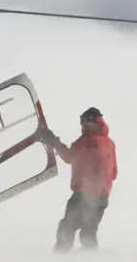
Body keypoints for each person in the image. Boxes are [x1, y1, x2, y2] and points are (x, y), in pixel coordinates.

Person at [41, 107, 117, 253]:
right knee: (89, 233)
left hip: (83, 196)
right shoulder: (109, 143)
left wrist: (53, 141)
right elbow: (114, 173)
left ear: (89, 121)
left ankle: (59, 260)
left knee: (67, 228)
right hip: (103, 197)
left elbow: (68, 157)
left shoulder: (86, 141)